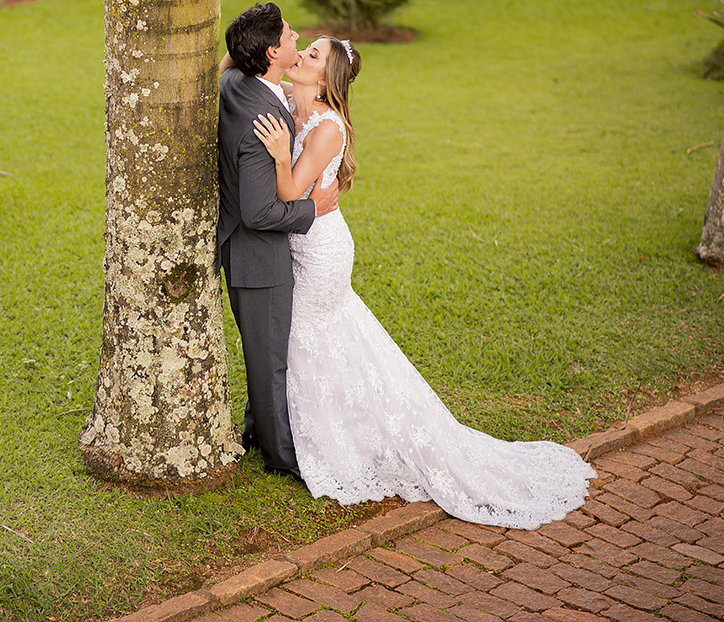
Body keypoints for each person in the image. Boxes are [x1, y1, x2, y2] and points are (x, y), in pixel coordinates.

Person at [251, 36, 595, 530]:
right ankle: (303, 433)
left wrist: (283, 154)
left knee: (308, 339)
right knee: (324, 342)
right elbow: (250, 73)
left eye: (312, 56)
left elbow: (288, 191)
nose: (300, 55)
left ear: (326, 81)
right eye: (303, 51)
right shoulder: (290, 99)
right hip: (300, 242)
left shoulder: (327, 128)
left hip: (321, 251)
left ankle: (317, 443)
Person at [217, 3, 338, 481]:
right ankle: (282, 457)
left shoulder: (235, 84)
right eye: (290, 36)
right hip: (258, 256)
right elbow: (260, 212)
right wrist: (314, 208)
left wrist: (233, 52)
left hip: (243, 249)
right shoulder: (268, 120)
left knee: (270, 348)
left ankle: (254, 428)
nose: (296, 39)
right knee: (268, 362)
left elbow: (225, 65)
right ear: (272, 52)